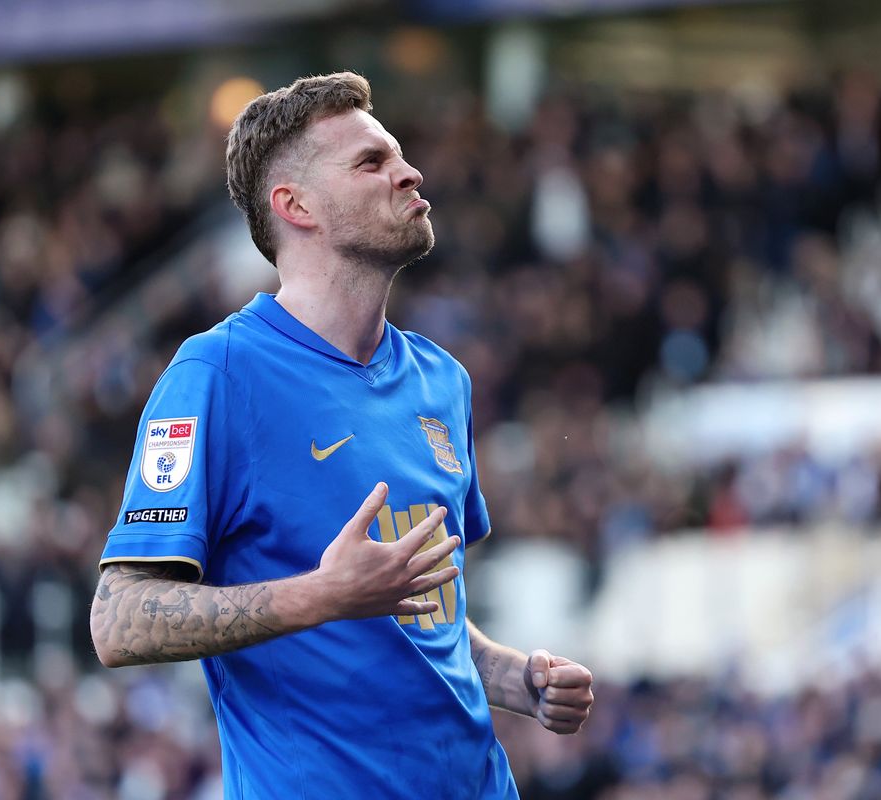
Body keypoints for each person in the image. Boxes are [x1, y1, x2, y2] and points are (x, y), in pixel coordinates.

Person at [89, 71, 594, 799]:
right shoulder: (219, 373)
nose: (409, 171)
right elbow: (119, 620)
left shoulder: (439, 378)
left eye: (397, 155)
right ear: (296, 206)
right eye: (371, 162)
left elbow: (423, 618)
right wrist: (322, 595)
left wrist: (515, 678)